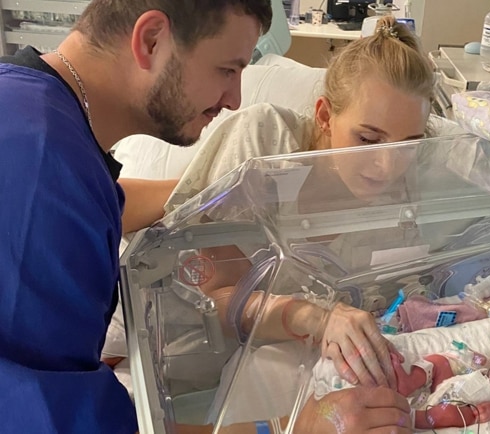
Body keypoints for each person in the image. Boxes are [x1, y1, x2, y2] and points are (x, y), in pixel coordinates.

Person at [0, 1, 410, 433]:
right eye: (227, 70)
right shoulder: (42, 166)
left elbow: (103, 203)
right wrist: (290, 427)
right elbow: (63, 421)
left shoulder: (32, 114)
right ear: (151, 40)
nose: (234, 100)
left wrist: (218, 190)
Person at [105, 15, 436, 433]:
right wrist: (313, 317)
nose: (387, 166)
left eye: (408, 145)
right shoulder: (266, 148)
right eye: (367, 140)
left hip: (286, 365)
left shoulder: (405, 190)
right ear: (324, 116)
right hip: (181, 353)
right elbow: (215, 298)